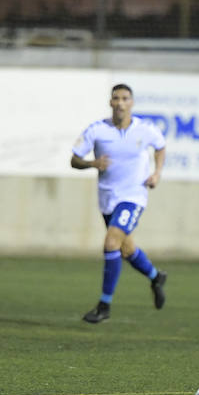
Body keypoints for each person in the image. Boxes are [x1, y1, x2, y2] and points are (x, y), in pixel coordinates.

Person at [70, 83, 168, 323]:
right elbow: (74, 159)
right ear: (111, 103)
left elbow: (160, 147)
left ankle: (104, 305)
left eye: (125, 98)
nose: (121, 102)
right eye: (116, 98)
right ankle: (156, 276)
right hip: (107, 198)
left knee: (111, 241)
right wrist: (92, 164)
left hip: (133, 196)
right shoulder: (97, 130)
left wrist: (156, 173)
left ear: (131, 102)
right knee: (125, 249)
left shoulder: (144, 129)